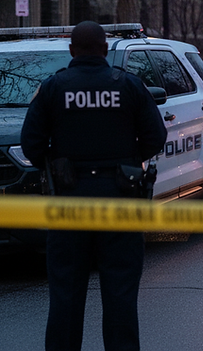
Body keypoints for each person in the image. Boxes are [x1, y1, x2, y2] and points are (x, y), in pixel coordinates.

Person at [20, 21, 168, 350]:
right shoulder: (128, 85)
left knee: (65, 295)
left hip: (68, 201)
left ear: (72, 51)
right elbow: (156, 137)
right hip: (120, 198)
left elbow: (30, 143)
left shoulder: (54, 88)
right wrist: (128, 159)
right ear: (105, 50)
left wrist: (55, 162)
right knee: (120, 295)